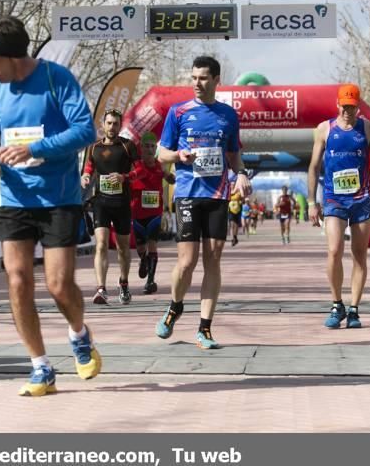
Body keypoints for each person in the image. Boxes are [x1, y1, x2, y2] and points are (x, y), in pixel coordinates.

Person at [0, 15, 100, 396]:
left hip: (58, 197)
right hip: (14, 197)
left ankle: (79, 335)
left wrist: (33, 149)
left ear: (14, 57)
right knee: (17, 280)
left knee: (60, 285)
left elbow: (85, 131)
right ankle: (40, 366)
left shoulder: (55, 78)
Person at [155, 55, 251, 349]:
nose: (197, 83)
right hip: (186, 193)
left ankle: (205, 328)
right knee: (187, 262)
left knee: (214, 258)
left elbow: (234, 153)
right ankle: (175, 305)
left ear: (216, 80)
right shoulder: (178, 112)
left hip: (217, 195)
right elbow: (161, 153)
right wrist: (177, 156)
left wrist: (242, 174)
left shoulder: (228, 115)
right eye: (194, 77)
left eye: (203, 78)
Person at [307, 84, 370, 330]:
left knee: (359, 254)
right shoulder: (325, 129)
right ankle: (336, 304)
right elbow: (313, 167)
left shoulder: (369, 129)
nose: (347, 111)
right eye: (344, 106)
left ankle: (353, 309)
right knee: (334, 250)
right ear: (337, 104)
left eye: (352, 107)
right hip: (334, 199)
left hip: (362, 199)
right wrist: (312, 202)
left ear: (358, 106)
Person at [81, 110, 138, 305]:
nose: (112, 127)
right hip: (101, 202)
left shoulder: (127, 145)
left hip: (122, 203)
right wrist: (86, 176)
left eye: (115, 124)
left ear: (120, 126)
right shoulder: (94, 147)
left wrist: (125, 177)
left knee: (122, 248)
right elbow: (89, 166)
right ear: (103, 125)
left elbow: (139, 170)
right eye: (109, 123)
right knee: (101, 244)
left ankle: (123, 283)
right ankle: (101, 289)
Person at [128, 132, 175, 295]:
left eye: (152, 146)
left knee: (153, 244)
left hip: (155, 212)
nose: (149, 149)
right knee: (141, 247)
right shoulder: (135, 165)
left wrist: (171, 178)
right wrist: (127, 178)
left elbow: (168, 176)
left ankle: (150, 281)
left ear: (155, 149)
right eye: (146, 146)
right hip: (137, 213)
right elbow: (133, 175)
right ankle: (143, 260)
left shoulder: (159, 166)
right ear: (141, 148)